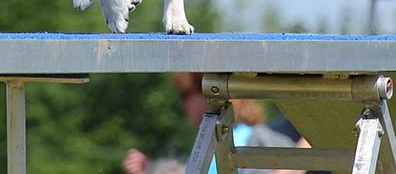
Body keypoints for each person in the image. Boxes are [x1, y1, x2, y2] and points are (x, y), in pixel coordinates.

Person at [123, 73, 315, 174]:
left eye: (186, 94)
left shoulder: (247, 137)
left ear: (207, 91)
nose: (183, 104)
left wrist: (310, 149)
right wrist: (153, 169)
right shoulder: (212, 143)